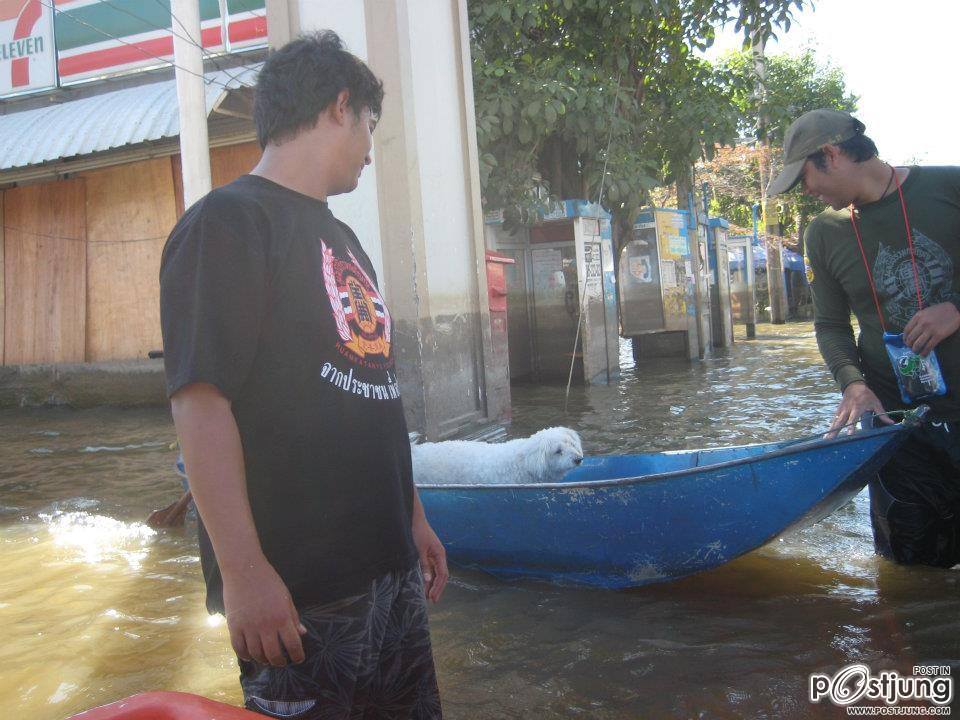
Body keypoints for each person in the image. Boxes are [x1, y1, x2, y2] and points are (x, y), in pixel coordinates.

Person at [159, 31, 447, 719]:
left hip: (387, 573)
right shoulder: (226, 224)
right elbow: (200, 405)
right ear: (340, 106)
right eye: (370, 126)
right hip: (302, 590)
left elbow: (377, 392)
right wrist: (244, 575)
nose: (372, 150)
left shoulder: (343, 240)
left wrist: (414, 518)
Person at [768, 108, 960, 569]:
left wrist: (955, 310)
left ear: (831, 155)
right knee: (911, 579)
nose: (807, 192)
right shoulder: (825, 234)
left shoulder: (950, 188)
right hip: (899, 428)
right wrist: (855, 385)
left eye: (806, 177)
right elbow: (831, 326)